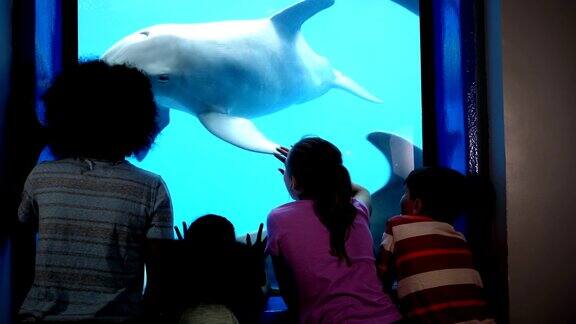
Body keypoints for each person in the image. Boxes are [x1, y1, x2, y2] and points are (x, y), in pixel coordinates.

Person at [18, 60, 173, 323]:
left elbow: (23, 241)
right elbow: (159, 279)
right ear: (141, 120)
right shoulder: (151, 188)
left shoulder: (41, 177)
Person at [267, 137, 401, 323]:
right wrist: (321, 174)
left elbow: (289, 290)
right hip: (389, 318)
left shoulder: (278, 218)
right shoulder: (356, 210)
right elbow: (363, 192)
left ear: (293, 181)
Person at [377, 166, 494, 323]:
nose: (402, 198)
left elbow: (380, 277)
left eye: (406, 194)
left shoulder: (397, 225)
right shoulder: (459, 238)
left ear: (417, 205)